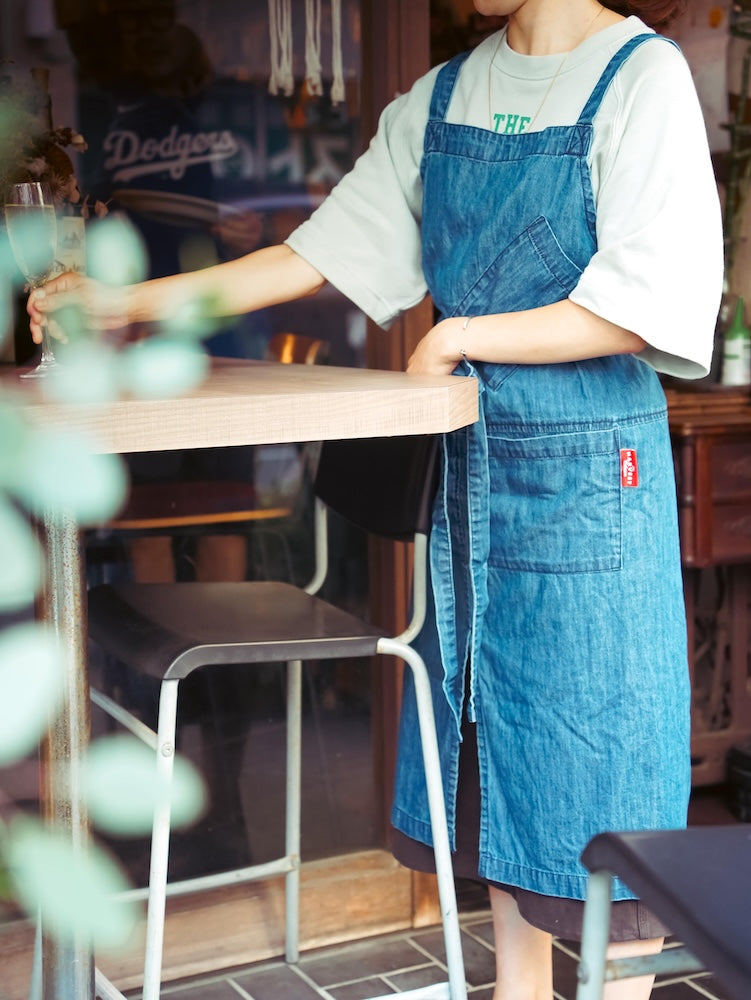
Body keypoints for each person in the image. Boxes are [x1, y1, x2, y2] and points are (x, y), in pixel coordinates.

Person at [30, 1, 723, 997]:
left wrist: (459, 335)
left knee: (606, 765)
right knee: (490, 762)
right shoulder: (444, 96)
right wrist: (125, 302)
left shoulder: (639, 77)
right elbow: (309, 257)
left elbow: (647, 300)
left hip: (589, 484)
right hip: (473, 479)